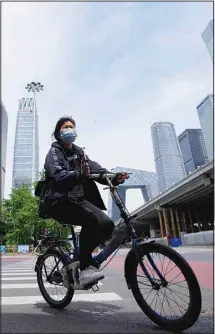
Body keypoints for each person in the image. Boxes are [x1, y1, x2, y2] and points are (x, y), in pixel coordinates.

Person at [39, 116, 128, 286]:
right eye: (65, 127)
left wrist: (114, 177)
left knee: (107, 224)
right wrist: (78, 175)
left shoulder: (80, 153)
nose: (69, 129)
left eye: (72, 126)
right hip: (59, 203)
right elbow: (57, 174)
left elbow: (96, 170)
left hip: (78, 201)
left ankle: (81, 258)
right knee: (90, 219)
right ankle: (86, 266)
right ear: (59, 132)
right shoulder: (54, 152)